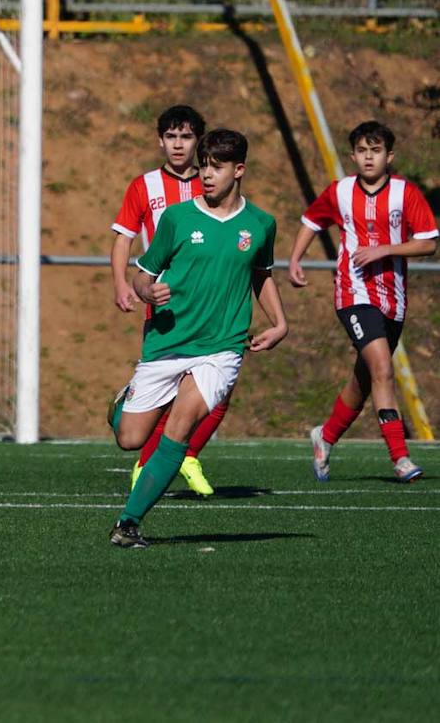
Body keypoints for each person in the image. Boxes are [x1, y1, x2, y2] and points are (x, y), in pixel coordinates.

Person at [107, 129, 287, 548]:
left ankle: (128, 522)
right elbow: (143, 276)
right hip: (167, 342)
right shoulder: (177, 218)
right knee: (129, 438)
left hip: (221, 347)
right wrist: (148, 291)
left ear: (238, 170)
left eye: (216, 166)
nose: (206, 174)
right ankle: (122, 402)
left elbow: (261, 275)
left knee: (181, 426)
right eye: (203, 165)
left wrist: (279, 323)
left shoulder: (260, 224)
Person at [287, 121, 438, 483]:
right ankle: (400, 458)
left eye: (376, 150)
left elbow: (428, 242)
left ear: (390, 156)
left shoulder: (406, 194)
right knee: (383, 369)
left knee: (365, 380)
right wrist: (294, 259)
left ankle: (325, 437)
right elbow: (312, 220)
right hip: (353, 294)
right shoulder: (340, 192)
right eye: (362, 151)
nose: (369, 157)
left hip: (394, 299)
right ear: (353, 155)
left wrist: (386, 249)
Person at [109, 105, 225, 497]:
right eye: (171, 137)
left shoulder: (212, 183)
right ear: (161, 141)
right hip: (163, 304)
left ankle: (179, 456)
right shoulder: (143, 186)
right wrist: (122, 283)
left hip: (211, 303)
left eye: (186, 137)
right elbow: (123, 237)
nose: (178, 145)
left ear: (198, 141)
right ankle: (133, 411)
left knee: (219, 387)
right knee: (166, 396)